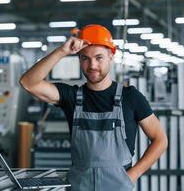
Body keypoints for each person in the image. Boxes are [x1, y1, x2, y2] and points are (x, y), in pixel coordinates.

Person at [20, 24, 168, 191]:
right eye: (85, 58)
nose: (92, 65)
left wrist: (132, 175)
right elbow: (28, 83)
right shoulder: (71, 97)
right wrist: (62, 51)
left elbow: (160, 140)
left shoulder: (131, 97)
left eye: (99, 58)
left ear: (111, 56)